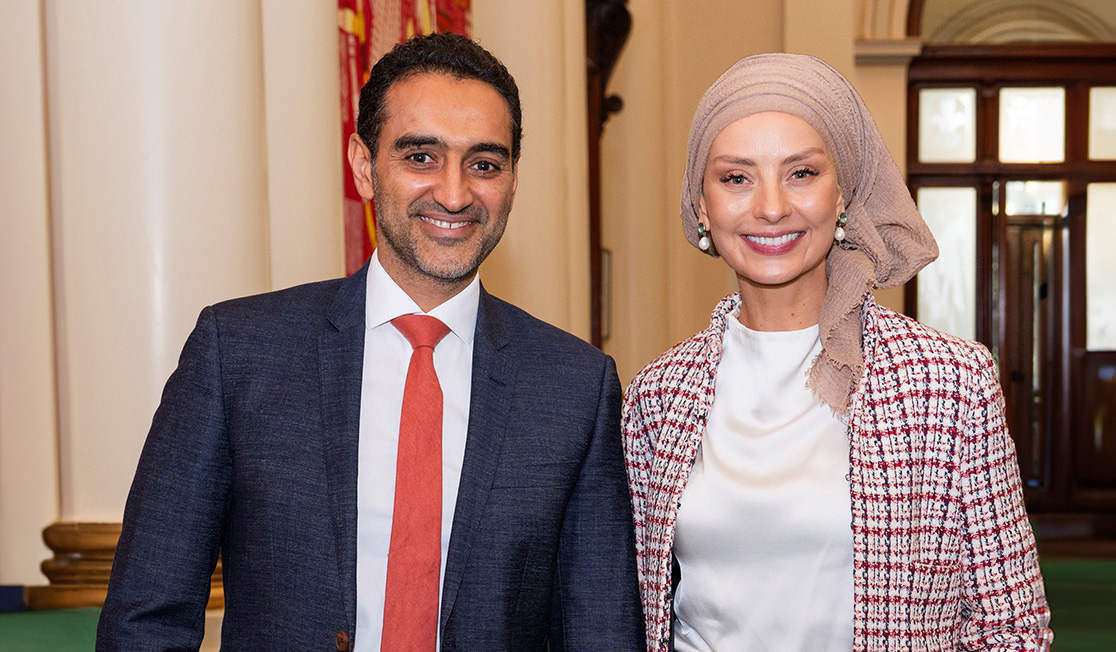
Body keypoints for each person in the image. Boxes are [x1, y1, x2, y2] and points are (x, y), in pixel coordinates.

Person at [98, 33, 644, 652]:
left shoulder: (575, 387)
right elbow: (147, 618)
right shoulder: (239, 354)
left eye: (484, 164)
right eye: (420, 157)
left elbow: (601, 631)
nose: (456, 193)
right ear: (364, 165)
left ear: (513, 180)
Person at [622, 53, 1052, 652]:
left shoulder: (946, 382)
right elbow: (638, 614)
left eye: (801, 173)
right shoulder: (657, 396)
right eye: (735, 177)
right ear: (701, 206)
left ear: (844, 192)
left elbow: (1012, 628)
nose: (771, 207)